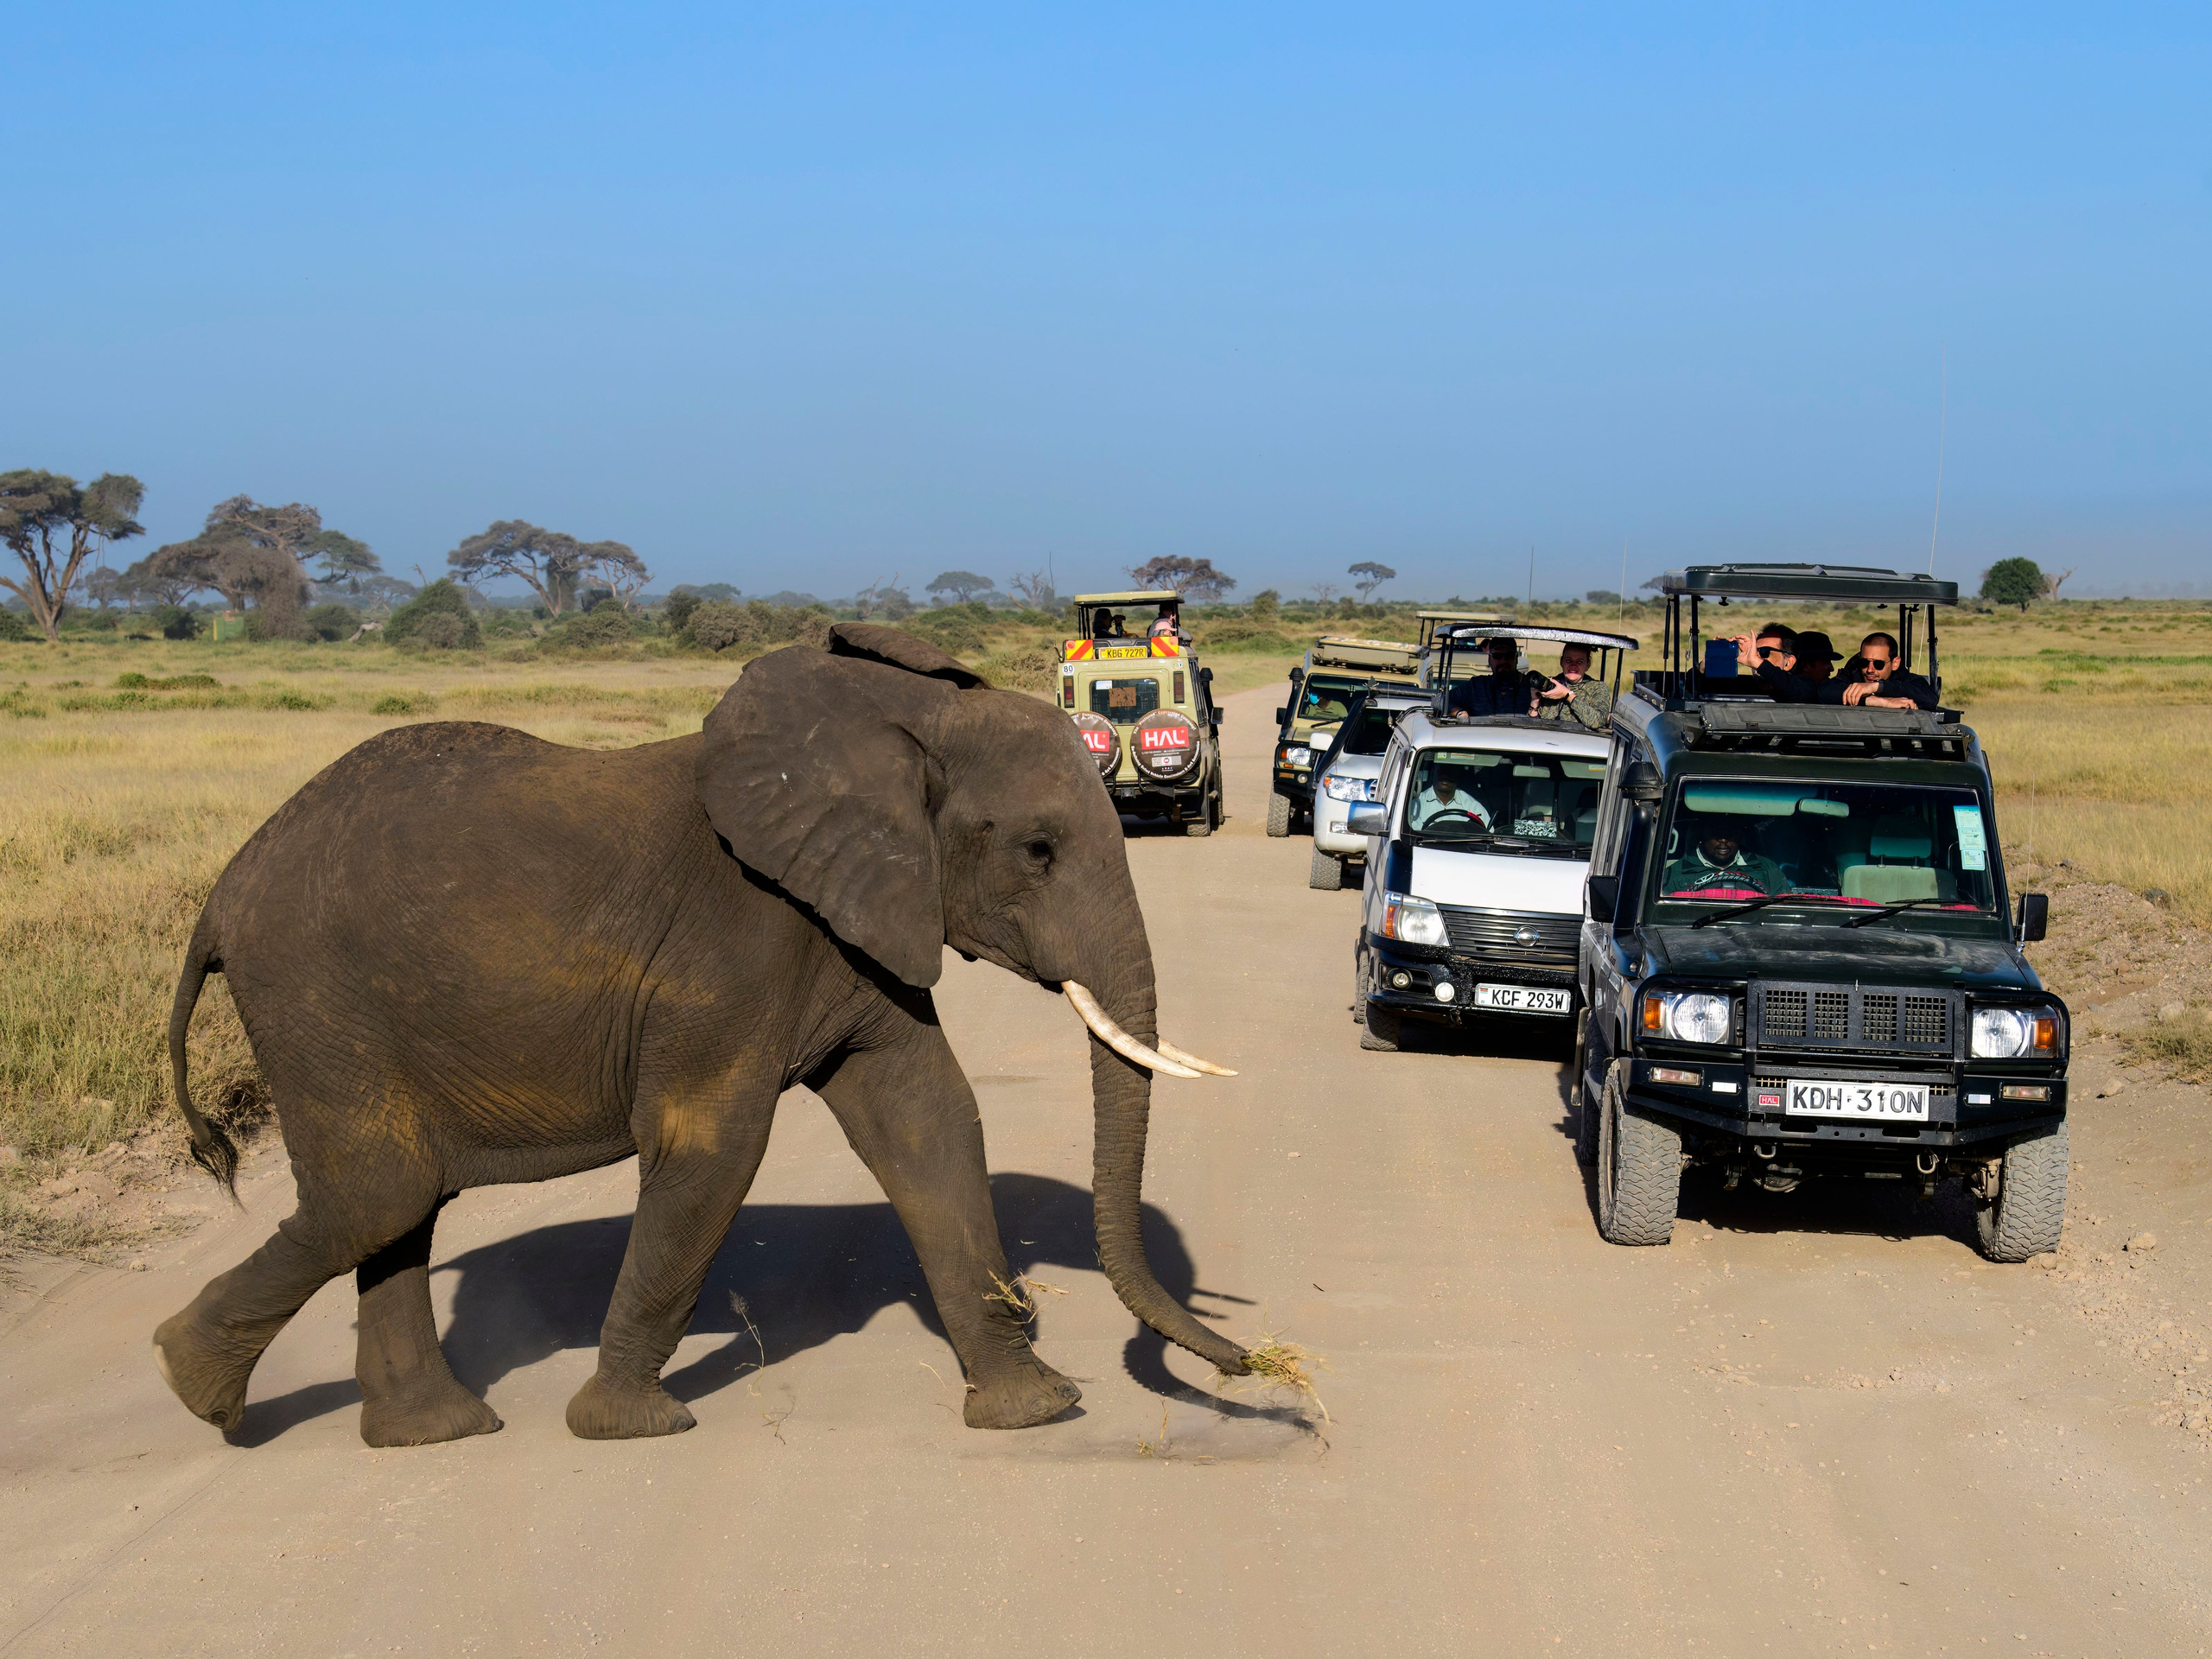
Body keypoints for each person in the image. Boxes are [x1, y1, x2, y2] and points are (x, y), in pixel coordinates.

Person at [1822, 631, 1938, 709]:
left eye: (1878, 664)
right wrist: (1878, 701)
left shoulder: (1906, 679)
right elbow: (1824, 693)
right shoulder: (1851, 674)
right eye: (1864, 663)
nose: (1870, 670)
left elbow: (1930, 699)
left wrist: (1878, 687)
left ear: (1895, 663)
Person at [1661, 829, 1788, 897]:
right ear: (1702, 834)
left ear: (1739, 835)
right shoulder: (1675, 872)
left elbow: (1784, 913)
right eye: (1716, 832)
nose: (1723, 839)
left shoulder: (1767, 869)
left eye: (1730, 833)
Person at [1447, 636, 1538, 717]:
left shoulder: (1531, 687)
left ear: (1516, 658)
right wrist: (1459, 712)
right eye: (1497, 656)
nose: (1503, 661)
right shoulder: (1477, 686)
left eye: (1509, 656)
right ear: (1489, 659)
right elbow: (1441, 699)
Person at [1533, 643, 1614, 729]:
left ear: (1588, 664)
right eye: (1568, 660)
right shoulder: (1551, 685)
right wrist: (1534, 702)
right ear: (1561, 662)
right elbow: (1532, 728)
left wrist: (1568, 695)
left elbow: (1599, 721)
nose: (1573, 665)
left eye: (1579, 661)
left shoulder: (1597, 687)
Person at [1410, 769, 1493, 831]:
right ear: (1434, 773)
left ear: (1458, 777)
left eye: (1451, 771)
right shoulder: (1418, 804)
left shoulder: (1473, 806)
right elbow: (1413, 838)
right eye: (1442, 770)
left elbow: (1488, 836)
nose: (1445, 775)